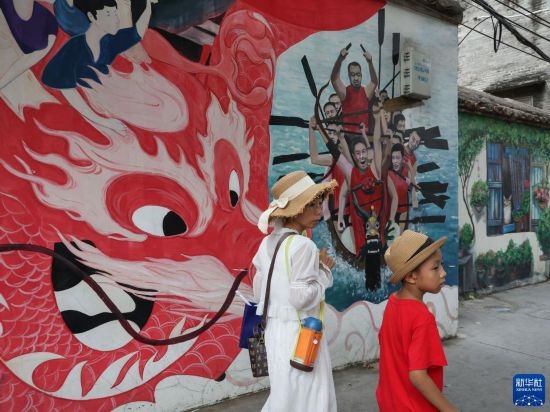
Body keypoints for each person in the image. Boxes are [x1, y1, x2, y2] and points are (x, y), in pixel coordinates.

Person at [253, 170, 337, 412]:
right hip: (301, 333)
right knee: (311, 397)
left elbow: (259, 290)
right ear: (296, 210)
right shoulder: (303, 245)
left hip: (274, 332)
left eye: (319, 204)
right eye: (312, 205)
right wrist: (323, 273)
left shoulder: (266, 243)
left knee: (284, 395)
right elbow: (300, 298)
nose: (319, 211)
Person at [42, 0, 157, 133]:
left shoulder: (109, 43)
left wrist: (148, 5)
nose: (115, 20)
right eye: (108, 14)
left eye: (115, 14)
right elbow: (67, 90)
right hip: (73, 114)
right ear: (92, 17)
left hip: (104, 105)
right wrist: (101, 121)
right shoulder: (74, 47)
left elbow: (137, 32)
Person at [377, 230, 458, 412]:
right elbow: (418, 376)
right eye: (435, 268)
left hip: (390, 403)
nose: (443, 273)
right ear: (411, 276)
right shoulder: (422, 318)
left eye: (442, 265)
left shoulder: (393, 303)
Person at [330, 44, 377, 135]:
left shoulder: (366, 92)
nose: (356, 78)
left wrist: (370, 62)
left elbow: (374, 82)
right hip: (348, 135)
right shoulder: (344, 92)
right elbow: (334, 79)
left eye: (358, 75)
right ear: (349, 76)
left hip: (363, 135)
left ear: (361, 75)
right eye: (353, 75)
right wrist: (340, 59)